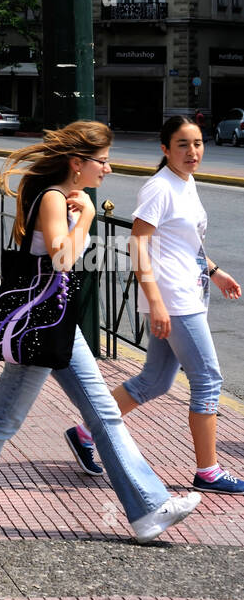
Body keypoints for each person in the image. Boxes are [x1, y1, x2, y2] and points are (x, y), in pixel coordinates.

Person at [0, 121, 201, 545]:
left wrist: (81, 210)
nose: (108, 169)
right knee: (3, 419)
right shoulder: (52, 198)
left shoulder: (65, 197)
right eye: (102, 161)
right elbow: (63, 259)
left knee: (103, 413)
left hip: (58, 322)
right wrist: (84, 215)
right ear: (77, 163)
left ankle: (147, 508)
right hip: (42, 326)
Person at [68, 115, 244, 493]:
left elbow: (185, 243)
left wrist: (215, 271)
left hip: (187, 292)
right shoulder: (160, 187)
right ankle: (208, 471)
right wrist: (156, 303)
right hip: (174, 299)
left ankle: (85, 433)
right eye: (182, 144)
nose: (192, 151)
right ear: (165, 149)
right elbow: (137, 245)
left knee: (155, 380)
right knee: (208, 379)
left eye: (197, 143)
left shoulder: (186, 182)